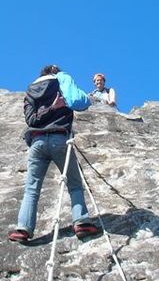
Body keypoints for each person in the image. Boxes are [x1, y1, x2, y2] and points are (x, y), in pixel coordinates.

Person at [8, 65, 100, 244]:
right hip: (60, 139)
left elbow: (31, 119)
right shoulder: (63, 83)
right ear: (55, 72)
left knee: (31, 188)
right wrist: (54, 107)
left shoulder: (30, 91)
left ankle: (23, 228)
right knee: (74, 184)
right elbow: (77, 101)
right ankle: (81, 222)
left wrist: (48, 109)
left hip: (37, 142)